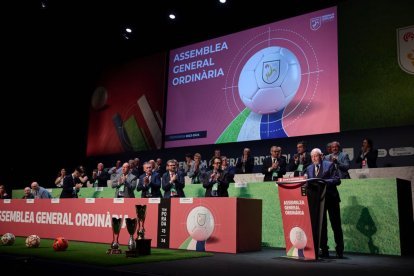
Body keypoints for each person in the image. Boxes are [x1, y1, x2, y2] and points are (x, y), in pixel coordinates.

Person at [305, 148, 343, 258]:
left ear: (321, 156)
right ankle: (324, 249)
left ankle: (339, 250)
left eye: (316, 156)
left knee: (336, 225)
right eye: (312, 157)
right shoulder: (309, 168)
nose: (314, 159)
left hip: (331, 199)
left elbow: (337, 180)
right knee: (322, 226)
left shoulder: (329, 165)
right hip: (318, 201)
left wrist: (323, 182)